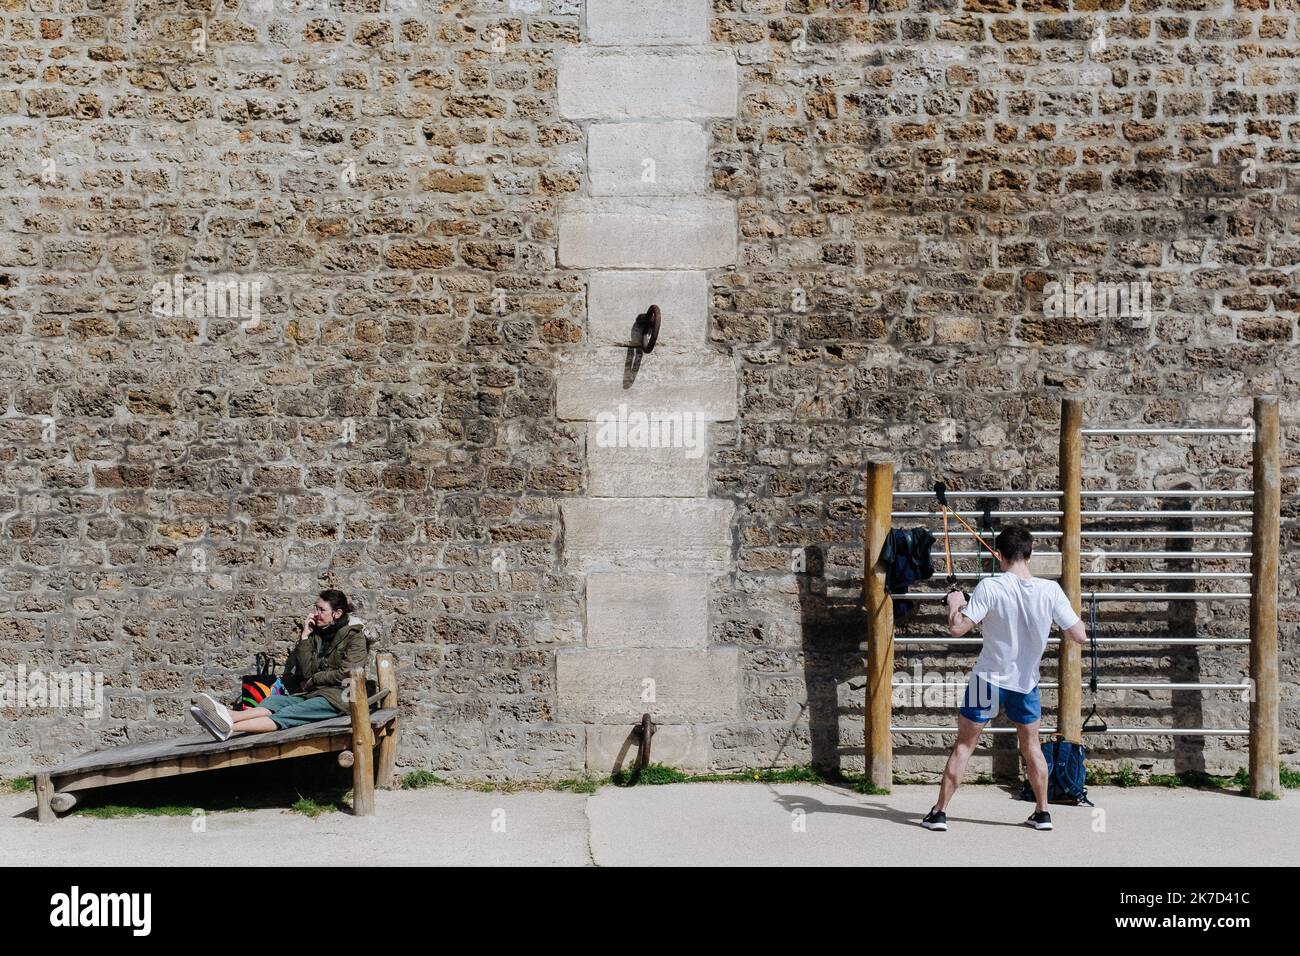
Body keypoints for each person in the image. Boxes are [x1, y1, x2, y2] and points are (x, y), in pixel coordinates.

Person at [919, 525, 1087, 832]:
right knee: (1032, 747)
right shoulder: (1050, 591)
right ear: (1030, 554)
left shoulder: (990, 587)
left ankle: (939, 813)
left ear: (999, 556)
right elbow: (1079, 635)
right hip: (1026, 684)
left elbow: (956, 628)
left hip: (988, 682)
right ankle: (1042, 813)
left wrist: (955, 603)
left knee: (963, 747)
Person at [190, 589, 370, 741]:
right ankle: (228, 716)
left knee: (292, 711)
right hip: (314, 692)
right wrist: (305, 636)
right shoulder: (318, 635)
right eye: (316, 608)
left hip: (339, 699)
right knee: (275, 701)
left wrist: (315, 679)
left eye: (321, 610)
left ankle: (229, 729)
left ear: (337, 613)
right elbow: (306, 672)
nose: (316, 614)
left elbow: (348, 672)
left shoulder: (354, 636)